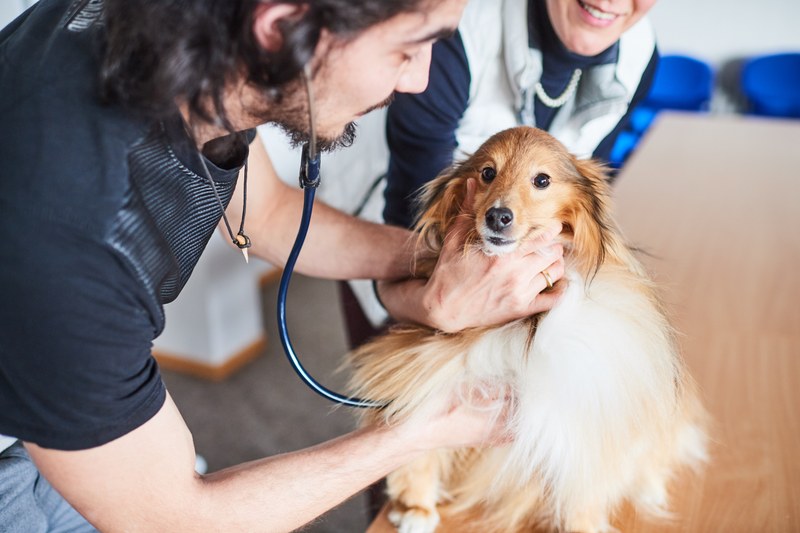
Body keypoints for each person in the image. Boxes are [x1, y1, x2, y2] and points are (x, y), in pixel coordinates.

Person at [0, 0, 567, 531]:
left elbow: (267, 212)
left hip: (42, 396)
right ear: (280, 28)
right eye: (406, 49)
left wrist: (439, 260)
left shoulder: (187, 41)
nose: (418, 79)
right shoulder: (72, 229)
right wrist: (436, 425)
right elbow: (176, 518)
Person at [341, 0, 659, 345]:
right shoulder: (451, 36)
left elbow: (583, 198)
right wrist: (436, 308)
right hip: (384, 237)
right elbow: (412, 233)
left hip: (519, 265)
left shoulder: (639, 52)